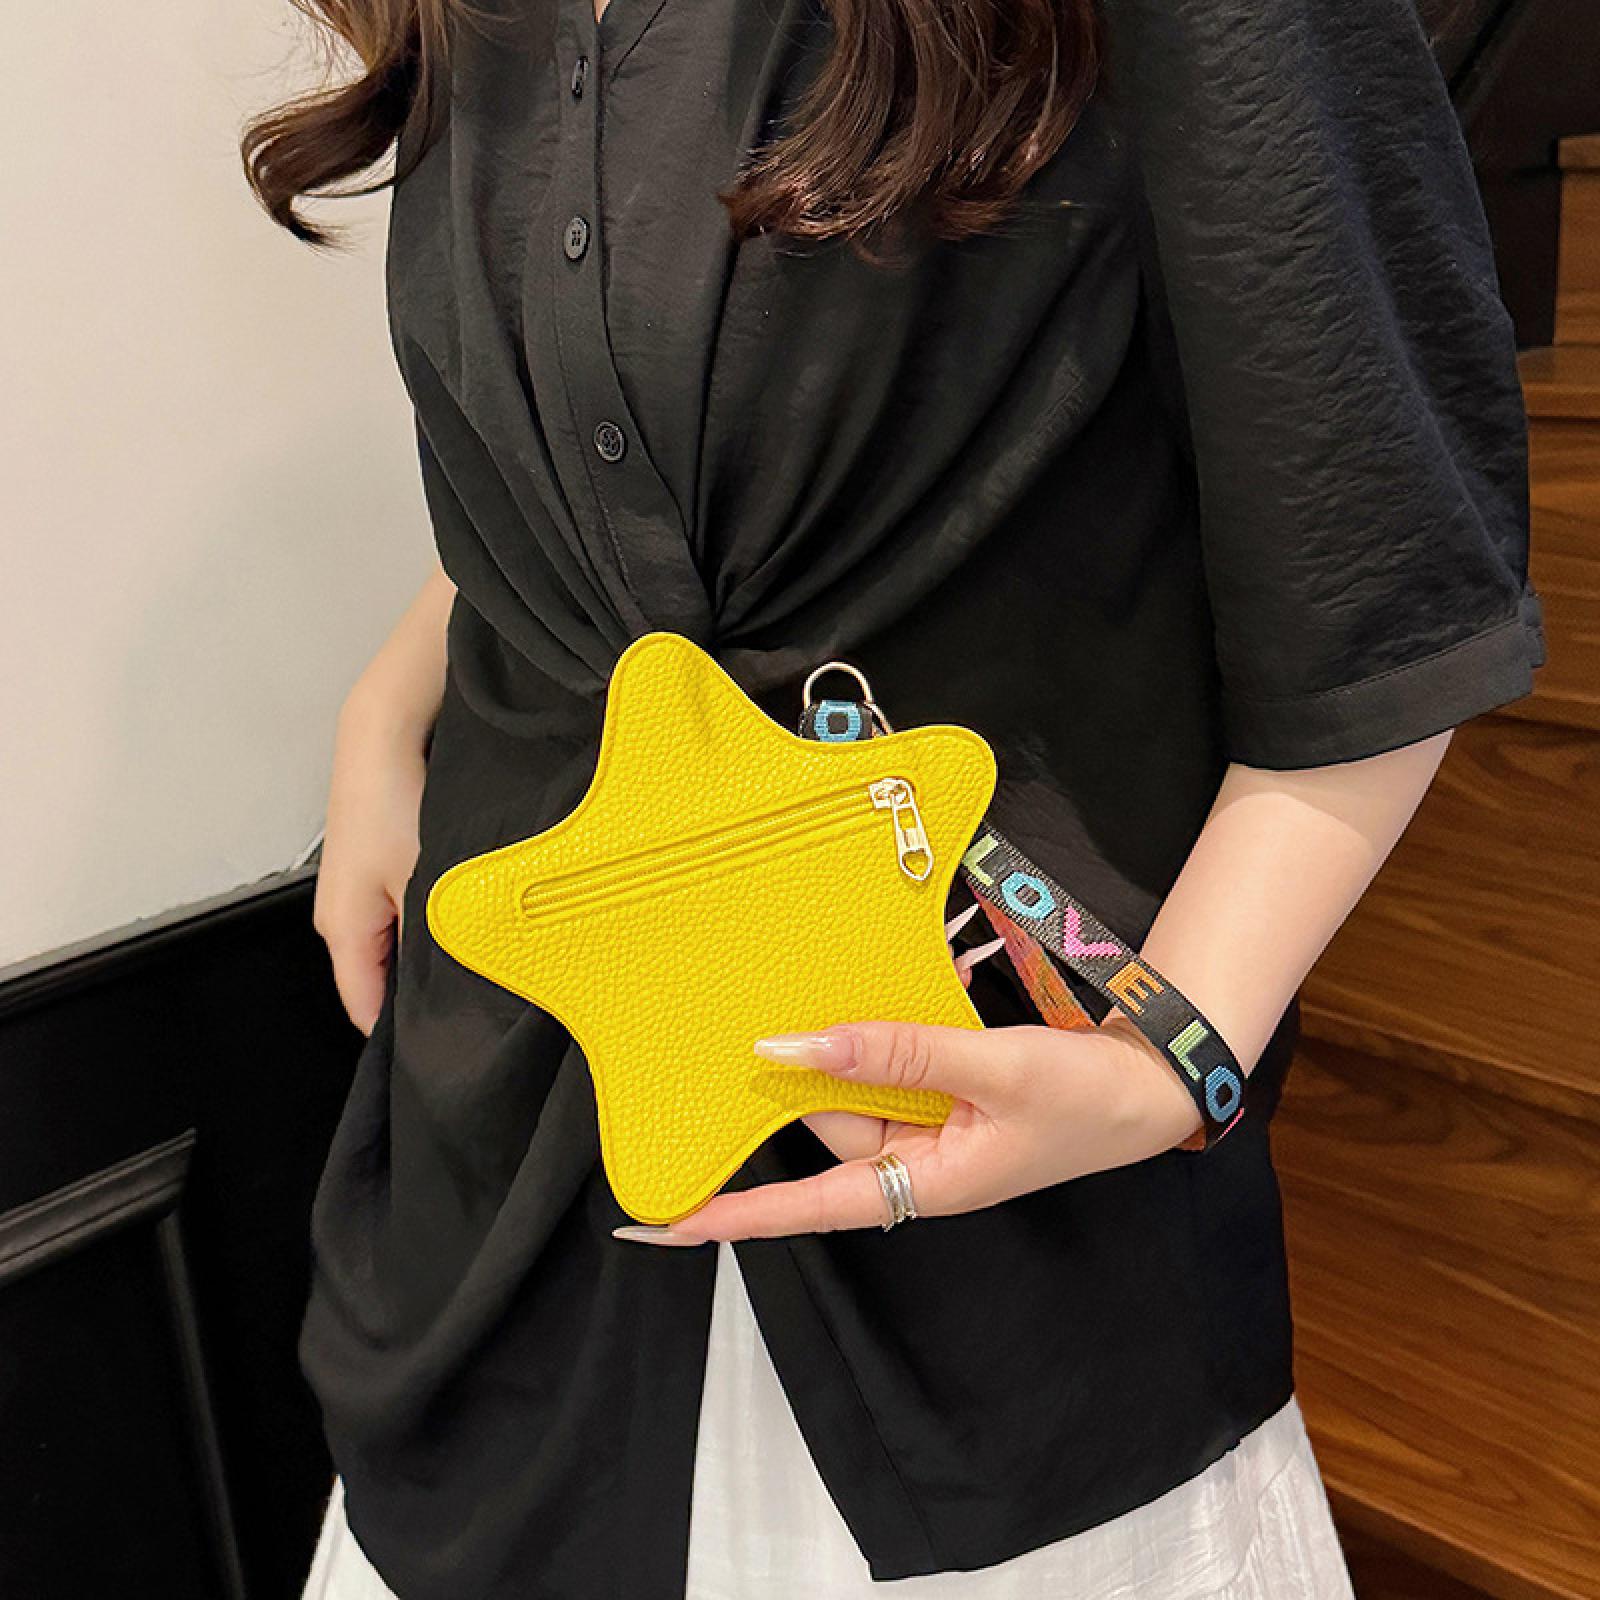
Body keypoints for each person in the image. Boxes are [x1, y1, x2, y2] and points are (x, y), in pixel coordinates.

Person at [244, 1, 1547, 1596]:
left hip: (992, 1200)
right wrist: (393, 700)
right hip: (505, 1166)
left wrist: (1175, 1051)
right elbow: (626, 435)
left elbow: (1380, 570)